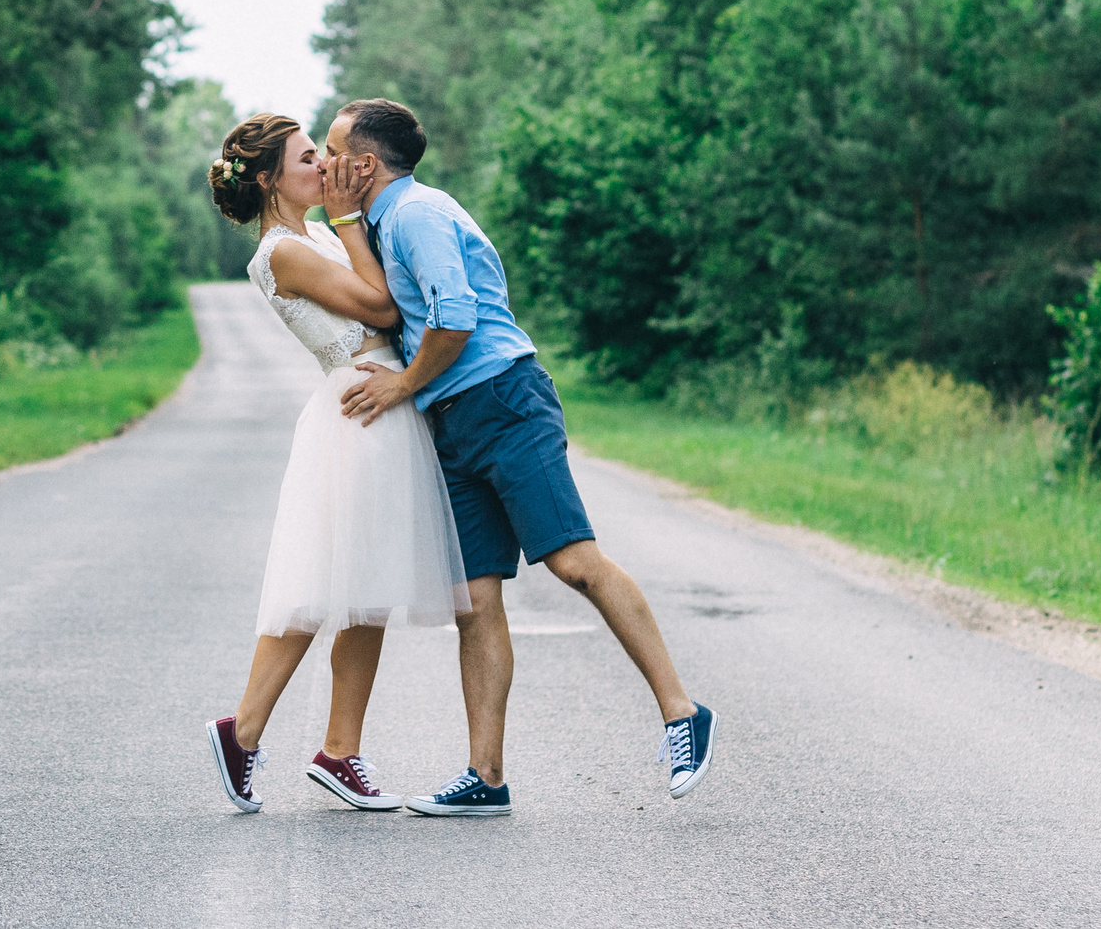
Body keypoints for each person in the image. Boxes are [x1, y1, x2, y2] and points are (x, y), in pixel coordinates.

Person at [326, 97, 717, 817]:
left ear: (365, 164)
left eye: (331, 150)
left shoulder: (416, 216)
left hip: (503, 400)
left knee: (573, 561)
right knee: (474, 602)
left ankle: (681, 710)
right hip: (452, 418)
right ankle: (486, 775)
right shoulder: (387, 220)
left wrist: (402, 387)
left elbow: (455, 316)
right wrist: (347, 225)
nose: (321, 165)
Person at [204, 113, 471, 815]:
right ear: (268, 181)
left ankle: (333, 750)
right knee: (324, 585)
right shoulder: (284, 250)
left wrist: (349, 218)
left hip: (379, 405)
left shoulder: (313, 233)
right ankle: (250, 730)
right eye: (305, 159)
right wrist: (352, 216)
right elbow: (381, 305)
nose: (322, 167)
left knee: (363, 585)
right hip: (357, 408)